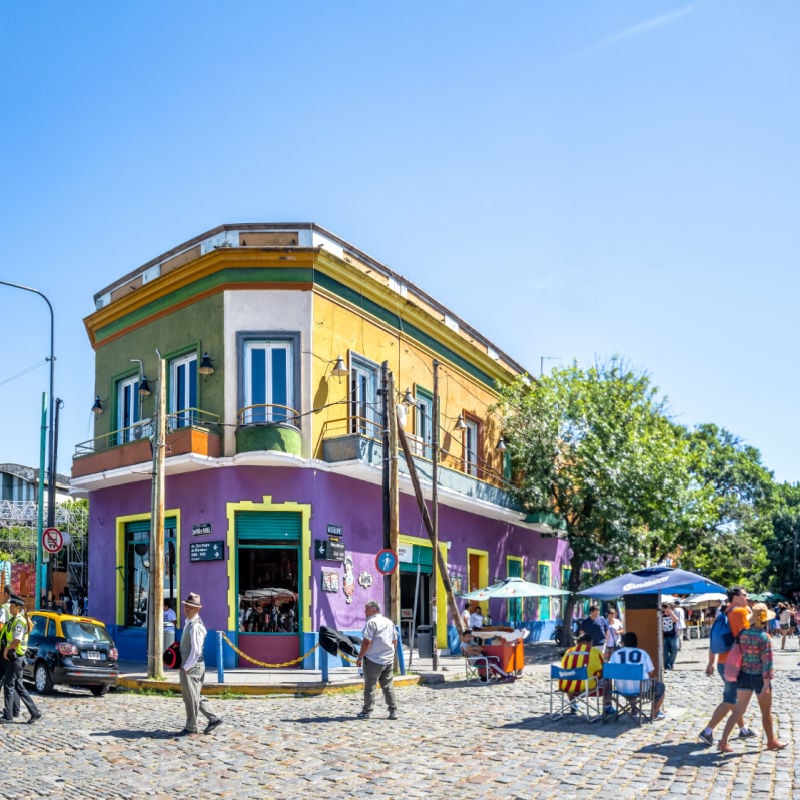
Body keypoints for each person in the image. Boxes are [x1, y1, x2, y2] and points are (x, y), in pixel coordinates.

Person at [717, 603, 787, 753]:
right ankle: (771, 741)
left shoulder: (743, 634)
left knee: (738, 711)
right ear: (765, 620)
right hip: (759, 678)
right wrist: (766, 685)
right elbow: (767, 663)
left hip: (744, 675)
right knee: (766, 712)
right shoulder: (764, 637)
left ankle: (723, 741)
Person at [697, 586, 756, 746]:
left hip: (724, 662)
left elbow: (714, 641)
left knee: (735, 699)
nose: (747, 597)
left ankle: (743, 730)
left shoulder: (724, 613)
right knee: (730, 699)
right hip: (735, 663)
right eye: (744, 595)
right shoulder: (740, 613)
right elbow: (746, 638)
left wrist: (711, 662)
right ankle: (708, 731)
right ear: (735, 597)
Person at [177, 592, 223, 736]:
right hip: (190, 665)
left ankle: (191, 727)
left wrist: (187, 667)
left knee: (190, 697)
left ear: (197, 609)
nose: (187, 609)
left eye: (190, 608)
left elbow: (196, 651)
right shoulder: (188, 623)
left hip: (193, 666)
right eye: (186, 607)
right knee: (193, 694)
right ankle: (213, 718)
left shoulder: (195, 626)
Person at [0, 596, 41, 724]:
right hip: (17, 657)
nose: (10, 607)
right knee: (18, 686)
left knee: (8, 684)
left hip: (16, 657)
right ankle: (35, 712)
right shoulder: (15, 620)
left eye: (12, 606)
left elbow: (16, 640)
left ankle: (8, 715)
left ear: (17, 607)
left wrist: (7, 649)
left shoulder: (19, 621)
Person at [608, 631, 666, 720]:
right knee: (660, 687)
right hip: (641, 688)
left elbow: (610, 671)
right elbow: (650, 671)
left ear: (623, 643)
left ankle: (634, 708)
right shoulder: (643, 654)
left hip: (621, 688)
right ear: (636, 643)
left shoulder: (615, 654)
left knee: (628, 684)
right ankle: (654, 713)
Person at [355, 600, 398, 720]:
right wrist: (391, 652)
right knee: (388, 686)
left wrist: (360, 656)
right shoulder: (388, 622)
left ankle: (367, 711)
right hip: (388, 658)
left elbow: (367, 641)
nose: (365, 612)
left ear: (374, 610)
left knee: (370, 686)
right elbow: (395, 640)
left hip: (373, 659)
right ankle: (393, 710)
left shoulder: (371, 622)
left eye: (366, 609)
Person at [558, 632, 605, 708]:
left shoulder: (568, 651)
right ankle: (607, 706)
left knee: (569, 676)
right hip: (587, 687)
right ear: (590, 642)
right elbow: (603, 668)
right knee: (608, 678)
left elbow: (564, 667)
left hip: (567, 687)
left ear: (577, 642)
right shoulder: (595, 652)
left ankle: (572, 704)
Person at [661, 602, 679, 670]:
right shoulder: (661, 616)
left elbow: (676, 620)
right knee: (665, 652)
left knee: (674, 651)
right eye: (665, 608)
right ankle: (667, 666)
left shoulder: (672, 615)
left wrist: (670, 612)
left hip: (673, 636)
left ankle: (670, 664)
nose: (666, 609)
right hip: (664, 636)